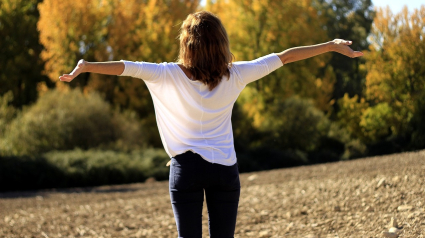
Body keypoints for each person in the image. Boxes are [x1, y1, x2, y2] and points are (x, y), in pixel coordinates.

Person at [59, 10, 362, 238]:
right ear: (221, 43)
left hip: (186, 170)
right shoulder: (237, 74)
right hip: (225, 170)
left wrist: (86, 67)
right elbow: (284, 57)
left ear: (186, 44)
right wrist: (331, 45)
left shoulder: (167, 74)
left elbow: (125, 67)